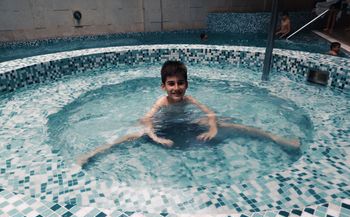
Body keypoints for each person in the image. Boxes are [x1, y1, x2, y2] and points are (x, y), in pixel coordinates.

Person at [77, 61, 300, 166]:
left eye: (180, 83)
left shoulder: (190, 99)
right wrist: (155, 136)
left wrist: (213, 127)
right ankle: (93, 154)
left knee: (230, 124)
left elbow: (209, 112)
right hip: (164, 126)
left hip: (185, 123)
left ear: (187, 84)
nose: (176, 88)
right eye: (171, 84)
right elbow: (147, 119)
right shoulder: (161, 102)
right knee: (130, 136)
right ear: (163, 86)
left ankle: (276, 139)